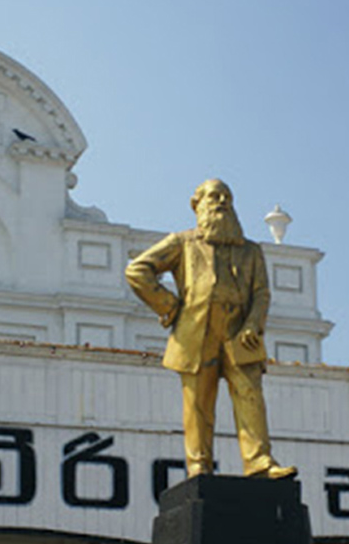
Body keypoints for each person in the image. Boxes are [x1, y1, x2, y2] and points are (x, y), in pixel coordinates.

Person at [125, 178, 297, 480]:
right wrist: (170, 306)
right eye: (214, 196)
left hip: (239, 333)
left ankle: (259, 462)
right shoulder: (183, 242)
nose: (221, 202)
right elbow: (137, 270)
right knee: (197, 404)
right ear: (197, 204)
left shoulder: (251, 251)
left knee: (250, 396)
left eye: (227, 197)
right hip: (196, 332)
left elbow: (261, 294)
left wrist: (254, 324)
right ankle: (199, 467)